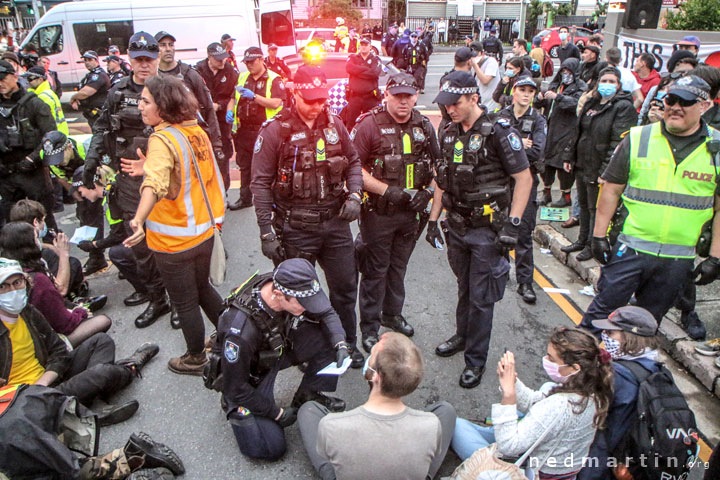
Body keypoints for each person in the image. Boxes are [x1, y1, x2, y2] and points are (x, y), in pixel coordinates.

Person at [581, 75, 720, 333]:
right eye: (671, 99)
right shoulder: (638, 138)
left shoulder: (717, 147)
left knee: (645, 327)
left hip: (677, 258)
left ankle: (626, 372)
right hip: (631, 248)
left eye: (686, 102)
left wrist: (715, 256)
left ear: (705, 106)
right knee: (599, 318)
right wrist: (598, 236)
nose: (676, 107)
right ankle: (577, 369)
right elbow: (611, 189)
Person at [250, 65, 365, 368]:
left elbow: (353, 161)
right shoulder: (275, 130)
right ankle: (306, 349)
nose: (317, 106)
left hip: (336, 224)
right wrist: (266, 231)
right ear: (294, 92)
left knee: (344, 288)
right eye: (310, 99)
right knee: (296, 296)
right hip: (296, 228)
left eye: (322, 100)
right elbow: (259, 183)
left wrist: (355, 194)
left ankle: (346, 343)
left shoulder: (335, 124)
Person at [428, 71, 532, 388]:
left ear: (474, 98)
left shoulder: (499, 132)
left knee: (482, 298)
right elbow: (442, 180)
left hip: (488, 230)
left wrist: (513, 224)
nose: (449, 110)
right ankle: (462, 335)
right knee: (465, 288)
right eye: (445, 105)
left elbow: (523, 179)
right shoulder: (448, 130)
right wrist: (433, 220)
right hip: (457, 226)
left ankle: (476, 360)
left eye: (455, 104)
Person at [123, 75, 226, 376]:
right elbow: (184, 172)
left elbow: (154, 184)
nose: (140, 106)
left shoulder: (160, 139)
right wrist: (149, 166)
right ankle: (230, 336)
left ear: (163, 106)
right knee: (203, 289)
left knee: (185, 302)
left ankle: (196, 358)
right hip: (204, 232)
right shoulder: (194, 130)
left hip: (173, 242)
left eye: (146, 101)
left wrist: (139, 218)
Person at [214, 259, 349, 461]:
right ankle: (234, 405)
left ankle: (307, 395)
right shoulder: (240, 332)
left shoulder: (285, 283)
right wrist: (276, 413)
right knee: (271, 448)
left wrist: (341, 344)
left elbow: (327, 312)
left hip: (276, 347)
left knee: (330, 337)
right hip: (249, 375)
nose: (308, 308)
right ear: (278, 295)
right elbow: (236, 386)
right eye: (303, 304)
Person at [83, 32, 173, 329]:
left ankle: (181, 298)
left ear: (157, 58)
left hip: (164, 179)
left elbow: (188, 132)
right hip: (128, 181)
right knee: (140, 245)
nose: (144, 65)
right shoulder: (117, 91)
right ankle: (158, 298)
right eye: (138, 59)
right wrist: (92, 162)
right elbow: (101, 128)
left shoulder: (172, 89)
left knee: (171, 243)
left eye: (149, 59)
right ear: (130, 59)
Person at [351, 73, 440, 354]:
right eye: (397, 95)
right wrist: (385, 190)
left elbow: (440, 165)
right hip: (378, 213)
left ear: (416, 96)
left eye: (408, 96)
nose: (403, 101)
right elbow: (354, 169)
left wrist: (427, 191)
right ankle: (369, 327)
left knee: (398, 268)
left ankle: (392, 314)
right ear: (386, 95)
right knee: (375, 271)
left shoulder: (424, 125)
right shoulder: (369, 125)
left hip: (411, 214)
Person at [452, 327, 614, 478]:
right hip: (560, 467)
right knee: (546, 388)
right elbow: (536, 402)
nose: (546, 360)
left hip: (535, 472)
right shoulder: (594, 389)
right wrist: (513, 382)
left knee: (456, 426)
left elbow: (509, 446)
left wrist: (508, 395)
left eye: (551, 358)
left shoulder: (558, 406)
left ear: (573, 368)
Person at [0, 257, 158, 407]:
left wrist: (44, 381)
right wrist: (37, 390)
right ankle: (129, 368)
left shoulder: (27, 312)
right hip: (28, 400)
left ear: (25, 282)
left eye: (17, 283)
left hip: (47, 380)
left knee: (101, 341)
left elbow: (58, 351)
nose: (12, 291)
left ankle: (87, 403)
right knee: (100, 373)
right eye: (3, 286)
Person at [298, 332, 456, 480]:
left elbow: (324, 452)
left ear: (375, 376)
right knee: (446, 410)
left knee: (308, 410)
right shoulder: (431, 425)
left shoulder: (332, 425)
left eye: (372, 356)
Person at [0, 383, 185, 479]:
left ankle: (129, 461)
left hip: (11, 431)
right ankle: (130, 456)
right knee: (51, 469)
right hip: (21, 401)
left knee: (47, 471)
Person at [577, 305, 661, 480]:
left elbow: (607, 434)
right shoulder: (658, 370)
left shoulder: (619, 375)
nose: (605, 337)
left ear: (629, 337)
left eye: (611, 333)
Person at [562, 67, 636, 262]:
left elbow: (619, 144)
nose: (608, 85)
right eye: (605, 80)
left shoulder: (622, 107)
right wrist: (569, 157)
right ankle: (581, 239)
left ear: (619, 85)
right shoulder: (592, 102)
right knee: (584, 205)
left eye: (612, 82)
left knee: (597, 208)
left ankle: (591, 244)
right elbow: (578, 132)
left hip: (601, 167)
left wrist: (606, 170)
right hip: (583, 163)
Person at [0, 221, 109, 348]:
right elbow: (64, 323)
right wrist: (81, 312)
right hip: (45, 340)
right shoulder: (37, 280)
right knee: (103, 321)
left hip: (25, 336)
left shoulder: (11, 270)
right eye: (36, 238)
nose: (39, 242)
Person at [497, 76, 547, 304]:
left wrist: (511, 147)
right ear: (514, 91)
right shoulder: (501, 116)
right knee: (498, 226)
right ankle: (501, 269)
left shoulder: (538, 120)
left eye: (530, 91)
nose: (526, 95)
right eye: (522, 90)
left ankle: (525, 281)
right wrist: (519, 141)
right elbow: (494, 148)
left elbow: (537, 151)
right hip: (501, 181)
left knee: (523, 231)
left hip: (526, 180)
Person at [0, 59, 58, 232]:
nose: (0, 83)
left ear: (14, 76)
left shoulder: (34, 104)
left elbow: (53, 137)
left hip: (33, 173)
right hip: (6, 175)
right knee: (12, 227)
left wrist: (32, 159)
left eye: (3, 78)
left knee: (45, 222)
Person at [226, 46, 285, 210]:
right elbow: (232, 98)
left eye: (252, 62)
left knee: (269, 166)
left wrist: (255, 97)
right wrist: (229, 111)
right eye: (247, 62)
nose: (249, 65)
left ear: (261, 60)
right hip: (244, 130)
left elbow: (276, 102)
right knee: (244, 166)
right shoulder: (243, 77)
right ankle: (245, 199)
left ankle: (274, 200)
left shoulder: (274, 79)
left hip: (265, 130)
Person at [155, 31, 224, 165]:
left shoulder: (189, 74)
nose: (168, 49)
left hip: (191, 139)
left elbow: (208, 108)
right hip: (165, 141)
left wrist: (216, 144)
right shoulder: (152, 76)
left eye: (171, 45)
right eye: (163, 45)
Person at [8, 199, 87, 298]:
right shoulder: (35, 262)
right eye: (43, 220)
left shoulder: (12, 239)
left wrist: (50, 246)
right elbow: (60, 289)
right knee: (73, 263)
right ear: (36, 222)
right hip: (40, 294)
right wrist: (64, 252)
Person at [536, 58, 587, 207]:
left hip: (567, 129)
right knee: (546, 164)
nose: (566, 74)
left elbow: (576, 104)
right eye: (563, 71)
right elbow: (542, 104)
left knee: (562, 164)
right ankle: (546, 193)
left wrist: (558, 97)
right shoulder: (556, 85)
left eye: (569, 72)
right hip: (550, 128)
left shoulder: (580, 87)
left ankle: (566, 195)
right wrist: (540, 98)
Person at [196, 41, 239, 191]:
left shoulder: (230, 71)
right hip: (203, 120)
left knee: (223, 155)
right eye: (218, 58)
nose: (222, 61)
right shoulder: (198, 70)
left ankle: (224, 190)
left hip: (222, 120)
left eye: (224, 57)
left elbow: (235, 95)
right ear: (209, 57)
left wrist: (220, 106)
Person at [343, 36, 382, 131]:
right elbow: (349, 68)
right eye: (362, 45)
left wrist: (357, 72)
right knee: (351, 124)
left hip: (370, 98)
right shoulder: (352, 58)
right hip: (355, 97)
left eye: (366, 45)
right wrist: (365, 69)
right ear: (359, 46)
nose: (363, 47)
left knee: (372, 125)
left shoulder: (376, 59)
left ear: (370, 47)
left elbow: (374, 73)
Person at [438, 47, 475, 131]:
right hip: (458, 127)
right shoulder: (467, 81)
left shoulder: (445, 78)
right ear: (469, 61)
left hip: (446, 124)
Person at [70, 51, 110, 128]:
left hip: (99, 114)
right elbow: (82, 91)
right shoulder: (90, 75)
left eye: (89, 60)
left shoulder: (98, 75)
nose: (87, 62)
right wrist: (77, 98)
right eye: (85, 60)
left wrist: (73, 98)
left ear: (96, 60)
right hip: (92, 115)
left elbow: (86, 93)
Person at [24, 65, 68, 135]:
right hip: (59, 132)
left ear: (40, 79)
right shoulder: (48, 92)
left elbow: (44, 121)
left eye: (30, 79)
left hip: (54, 135)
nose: (28, 82)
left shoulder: (43, 97)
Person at [470, 44, 502, 113]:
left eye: (476, 55)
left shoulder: (491, 62)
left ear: (482, 53)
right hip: (480, 102)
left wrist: (475, 65)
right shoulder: (472, 64)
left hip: (491, 105)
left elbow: (485, 80)